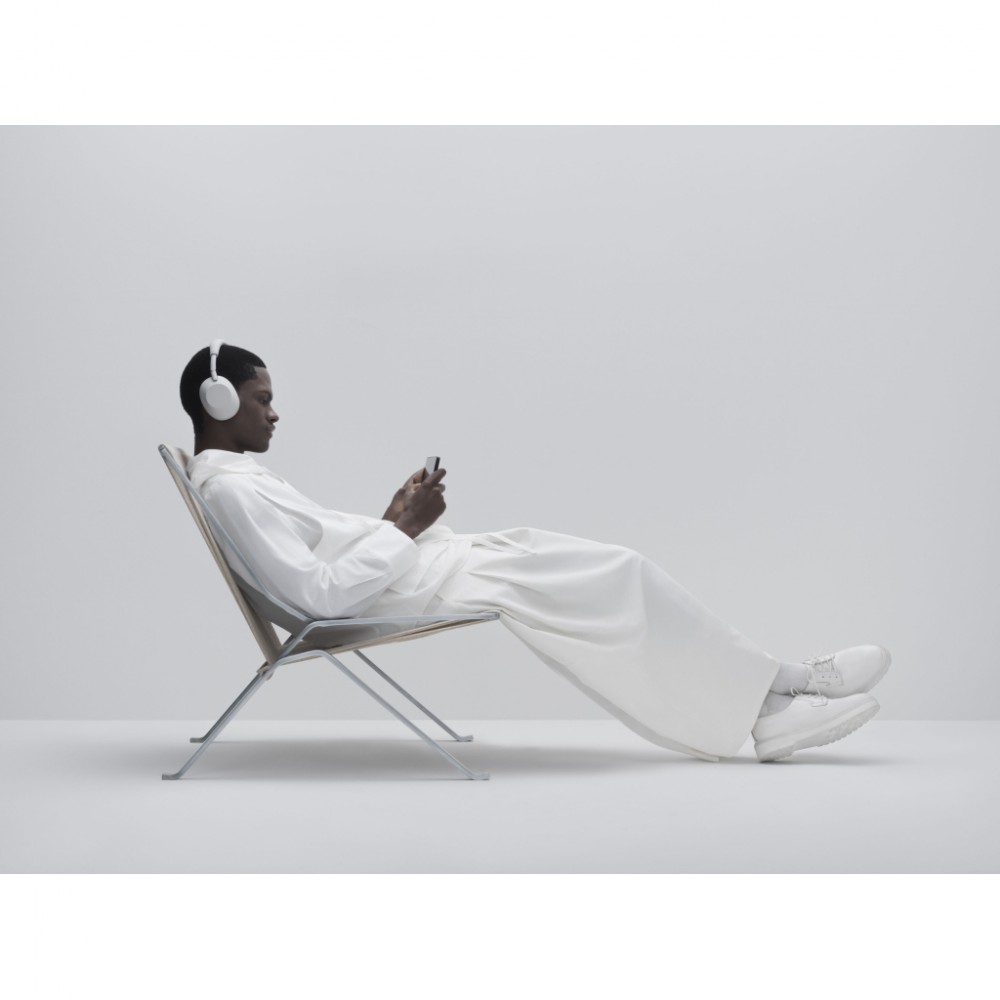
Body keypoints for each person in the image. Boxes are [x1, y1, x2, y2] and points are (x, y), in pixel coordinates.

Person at [179, 343, 891, 763]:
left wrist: (396, 519)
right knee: (617, 580)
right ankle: (770, 704)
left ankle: (772, 691)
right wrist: (401, 532)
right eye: (261, 399)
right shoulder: (233, 490)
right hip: (409, 585)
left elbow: (322, 564)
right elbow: (318, 599)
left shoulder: (239, 477)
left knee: (612, 574)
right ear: (218, 403)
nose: (274, 411)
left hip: (414, 570)